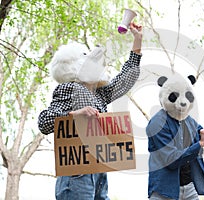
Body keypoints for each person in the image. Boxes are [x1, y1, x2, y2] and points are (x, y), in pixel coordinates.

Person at [38, 22, 142, 200]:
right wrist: (75, 114)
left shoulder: (100, 94)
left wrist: (137, 41)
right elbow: (44, 121)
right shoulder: (69, 89)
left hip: (98, 171)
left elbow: (126, 79)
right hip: (76, 174)